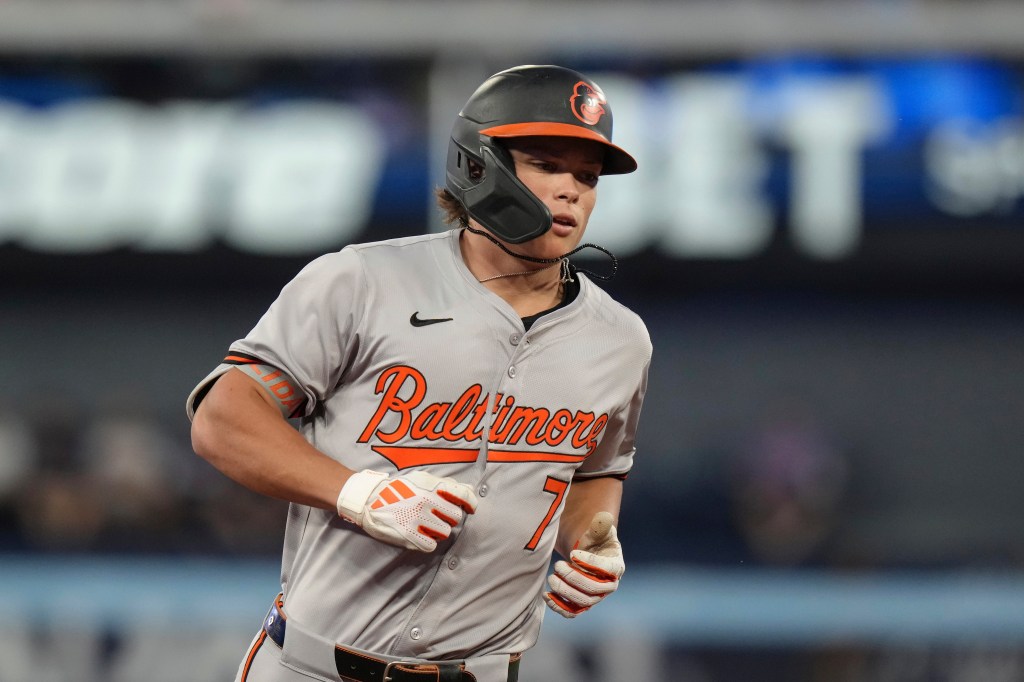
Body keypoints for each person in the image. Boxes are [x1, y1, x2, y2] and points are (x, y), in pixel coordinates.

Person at [187, 64, 652, 682]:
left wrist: (592, 539)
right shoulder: (360, 282)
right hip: (316, 667)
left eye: (588, 177)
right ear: (478, 165)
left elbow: (593, 473)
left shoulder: (619, 339)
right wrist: (355, 492)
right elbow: (223, 421)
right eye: (546, 164)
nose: (573, 191)